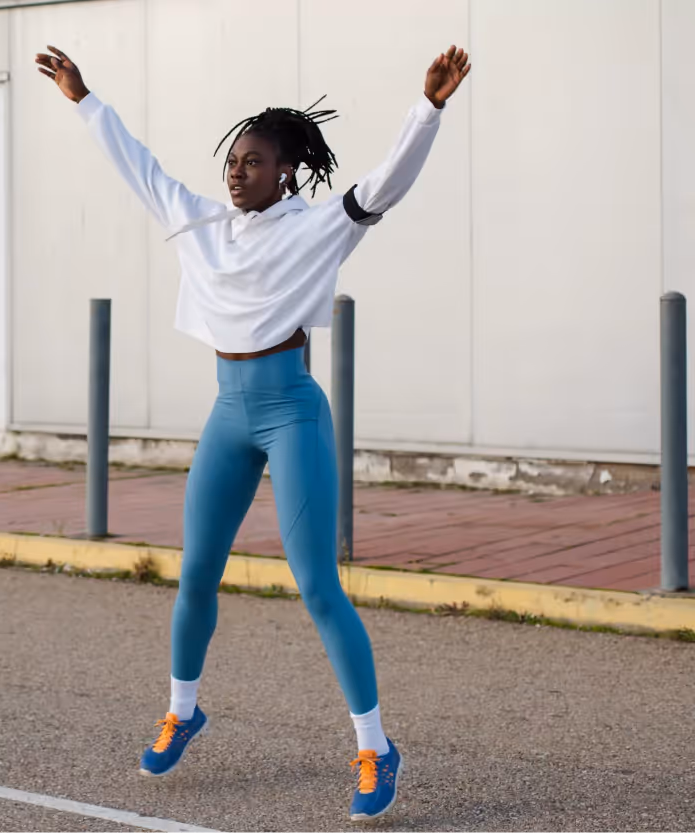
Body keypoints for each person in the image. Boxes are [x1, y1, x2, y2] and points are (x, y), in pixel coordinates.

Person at [35, 43, 470, 822]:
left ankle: (375, 745)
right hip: (227, 413)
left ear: (288, 173)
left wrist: (427, 109)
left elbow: (387, 185)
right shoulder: (198, 220)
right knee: (196, 572)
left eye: (254, 162)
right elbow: (136, 165)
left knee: (316, 586)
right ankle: (183, 708)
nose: (236, 171)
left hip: (290, 410)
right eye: (233, 159)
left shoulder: (320, 227)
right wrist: (83, 97)